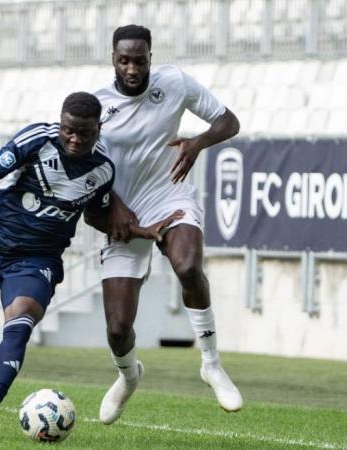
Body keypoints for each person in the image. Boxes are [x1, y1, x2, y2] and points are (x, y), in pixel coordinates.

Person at [0, 92, 183, 437]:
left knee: (22, 318)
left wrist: (136, 230)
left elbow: (97, 215)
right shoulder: (37, 139)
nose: (75, 139)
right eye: (69, 130)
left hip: (37, 259)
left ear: (98, 129)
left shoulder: (102, 169)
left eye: (84, 133)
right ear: (61, 123)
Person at [88, 25, 243, 425]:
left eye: (140, 60)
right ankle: (128, 375)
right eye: (125, 60)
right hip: (123, 213)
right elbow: (88, 170)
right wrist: (114, 206)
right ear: (113, 59)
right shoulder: (98, 108)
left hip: (168, 194)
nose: (133, 68)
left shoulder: (173, 83)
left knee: (189, 266)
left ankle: (210, 363)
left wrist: (198, 142)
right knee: (119, 328)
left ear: (150, 58)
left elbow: (230, 122)